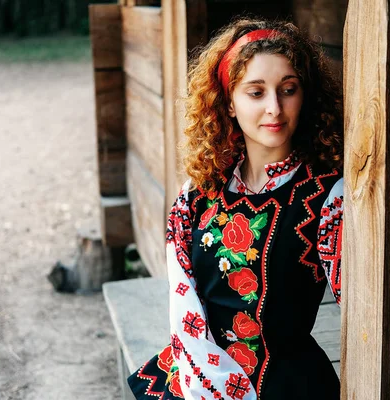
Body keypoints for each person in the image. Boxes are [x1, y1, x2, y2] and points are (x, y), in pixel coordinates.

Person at [128, 17, 344, 400]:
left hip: (287, 385)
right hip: (194, 372)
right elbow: (185, 300)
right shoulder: (199, 193)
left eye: (288, 89)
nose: (274, 108)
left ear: (304, 95)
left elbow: (362, 302)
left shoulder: (326, 196)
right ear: (228, 101)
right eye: (256, 92)